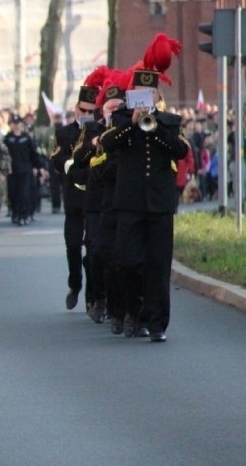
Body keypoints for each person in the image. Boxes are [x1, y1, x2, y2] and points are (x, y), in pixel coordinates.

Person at [99, 52, 190, 342]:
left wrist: (156, 125)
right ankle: (135, 311)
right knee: (128, 260)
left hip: (160, 203)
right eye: (138, 95)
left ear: (156, 96)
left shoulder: (169, 122)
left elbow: (180, 151)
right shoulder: (121, 121)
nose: (143, 100)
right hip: (130, 203)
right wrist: (132, 122)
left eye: (148, 95)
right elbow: (109, 144)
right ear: (131, 96)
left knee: (159, 265)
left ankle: (157, 323)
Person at [51, 88, 97, 311]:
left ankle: (92, 295)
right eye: (83, 110)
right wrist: (70, 167)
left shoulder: (99, 131)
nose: (86, 114)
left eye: (91, 111)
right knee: (72, 246)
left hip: (94, 196)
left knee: (93, 248)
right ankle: (75, 284)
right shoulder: (64, 132)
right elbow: (56, 158)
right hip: (73, 195)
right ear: (76, 109)